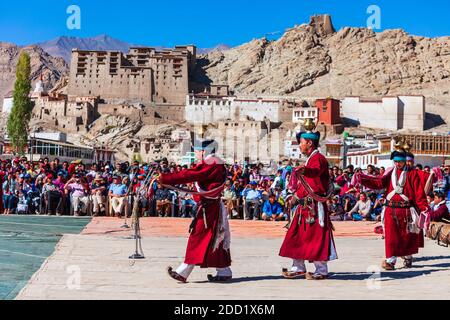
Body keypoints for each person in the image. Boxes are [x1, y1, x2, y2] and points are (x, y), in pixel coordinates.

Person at [160, 139, 232, 283]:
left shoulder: (211, 163)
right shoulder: (214, 162)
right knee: (215, 238)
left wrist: (165, 178)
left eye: (197, 151)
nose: (195, 154)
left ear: (203, 151)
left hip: (209, 208)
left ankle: (183, 271)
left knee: (198, 237)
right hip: (210, 206)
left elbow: (190, 174)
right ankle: (224, 270)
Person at [279, 122, 337, 280]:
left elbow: (315, 172)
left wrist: (305, 170)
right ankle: (298, 267)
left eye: (301, 143)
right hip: (302, 207)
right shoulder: (311, 159)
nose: (299, 146)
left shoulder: (318, 159)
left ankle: (321, 270)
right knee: (297, 236)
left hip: (314, 207)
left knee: (316, 238)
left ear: (309, 143)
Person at [354, 149, 429, 270]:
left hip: (406, 210)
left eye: (400, 161)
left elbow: (419, 193)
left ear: (405, 161)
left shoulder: (413, 173)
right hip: (390, 209)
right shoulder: (390, 172)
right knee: (390, 236)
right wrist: (362, 178)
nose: (397, 164)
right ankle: (390, 261)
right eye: (395, 161)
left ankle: (408, 257)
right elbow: (379, 183)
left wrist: (424, 208)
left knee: (406, 236)